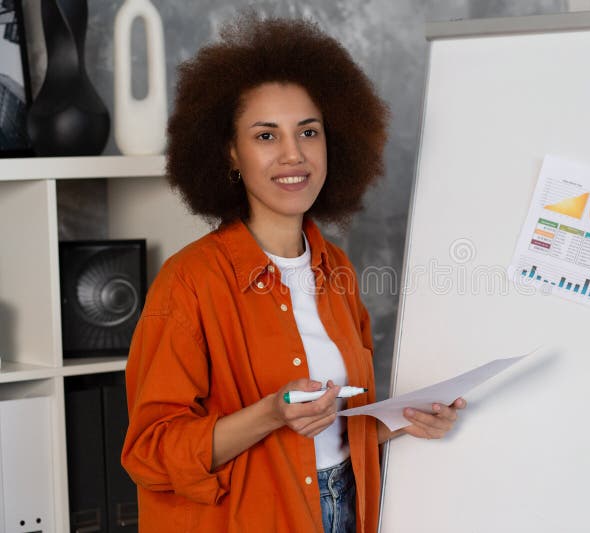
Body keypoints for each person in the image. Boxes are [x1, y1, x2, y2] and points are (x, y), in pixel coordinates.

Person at [121, 15, 466, 533]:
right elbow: (150, 454)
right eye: (266, 135)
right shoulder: (189, 281)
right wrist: (270, 414)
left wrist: (408, 419)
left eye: (309, 131)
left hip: (345, 507)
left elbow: (336, 433)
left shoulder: (337, 270)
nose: (293, 154)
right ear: (231, 153)